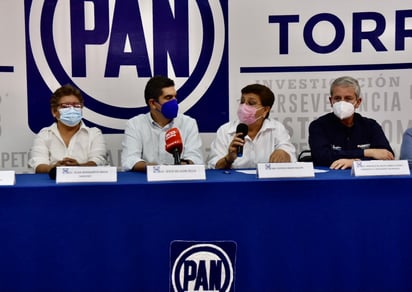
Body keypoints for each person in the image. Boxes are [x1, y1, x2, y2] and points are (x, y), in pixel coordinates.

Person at [308, 76, 394, 169]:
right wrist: (367, 152)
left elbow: (387, 156)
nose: (342, 103)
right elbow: (321, 157)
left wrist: (356, 162)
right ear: (331, 101)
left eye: (348, 98)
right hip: (330, 179)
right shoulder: (318, 126)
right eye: (337, 98)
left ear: (358, 102)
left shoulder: (371, 126)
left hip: (365, 180)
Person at [121, 76, 204, 172]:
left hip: (180, 181)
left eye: (175, 97)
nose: (174, 102)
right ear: (152, 103)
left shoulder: (188, 123)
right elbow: (129, 160)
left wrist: (180, 166)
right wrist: (158, 169)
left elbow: (195, 158)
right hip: (147, 182)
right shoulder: (135, 124)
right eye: (168, 98)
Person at [207, 83, 296, 169]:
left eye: (251, 103)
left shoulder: (276, 128)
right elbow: (213, 167)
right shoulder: (225, 130)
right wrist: (228, 158)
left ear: (265, 110)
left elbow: (288, 152)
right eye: (242, 101)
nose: (244, 106)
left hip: (266, 183)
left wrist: (283, 153)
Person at [28, 84, 107, 173]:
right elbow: (38, 164)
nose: (72, 109)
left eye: (76, 105)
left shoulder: (94, 134)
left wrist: (79, 168)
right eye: (65, 106)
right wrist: (54, 169)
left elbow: (98, 161)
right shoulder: (44, 135)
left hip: (85, 184)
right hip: (53, 184)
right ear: (54, 111)